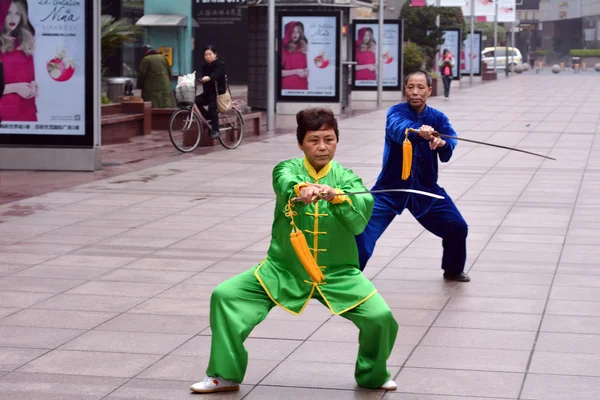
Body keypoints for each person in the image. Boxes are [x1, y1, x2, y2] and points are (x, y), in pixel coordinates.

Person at [190, 107, 399, 394]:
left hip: (337, 273)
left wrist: (338, 199)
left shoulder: (348, 180)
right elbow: (284, 182)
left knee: (380, 317)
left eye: (329, 139)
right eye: (314, 140)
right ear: (301, 143)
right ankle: (224, 375)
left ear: (337, 140)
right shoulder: (286, 168)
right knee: (225, 296)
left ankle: (372, 375)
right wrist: (302, 188)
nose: (322, 147)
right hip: (282, 270)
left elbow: (358, 222)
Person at [355, 70, 470, 283]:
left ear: (429, 90)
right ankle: (348, 277)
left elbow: (450, 139)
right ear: (404, 89)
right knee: (361, 231)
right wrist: (419, 131)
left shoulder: (438, 117)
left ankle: (453, 270)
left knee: (457, 227)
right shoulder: (395, 112)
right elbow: (399, 129)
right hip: (390, 189)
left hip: (425, 190)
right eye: (410, 87)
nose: (415, 92)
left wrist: (443, 143)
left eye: (420, 88)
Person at [0, 0, 37, 122]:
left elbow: (29, 78)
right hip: (4, 115)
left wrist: (33, 87)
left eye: (17, 14)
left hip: (27, 113)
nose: (13, 18)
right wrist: (16, 88)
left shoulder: (25, 42)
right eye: (8, 13)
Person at [194, 45, 226, 139]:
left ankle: (216, 130)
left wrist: (210, 77)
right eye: (205, 55)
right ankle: (208, 117)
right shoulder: (205, 66)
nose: (208, 56)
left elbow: (217, 74)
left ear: (215, 54)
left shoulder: (220, 64)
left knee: (212, 107)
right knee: (195, 101)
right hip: (208, 93)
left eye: (210, 54)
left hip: (218, 93)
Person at [136, 44, 176, 109]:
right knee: (166, 104)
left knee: (153, 107)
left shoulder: (146, 59)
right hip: (166, 86)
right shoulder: (163, 57)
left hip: (152, 89)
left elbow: (142, 75)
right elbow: (170, 73)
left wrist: (139, 86)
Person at [281, 21, 308, 91]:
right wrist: (296, 71)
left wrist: (306, 71)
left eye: (298, 32)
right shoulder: (283, 49)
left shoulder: (302, 48)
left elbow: (304, 68)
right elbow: (278, 72)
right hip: (287, 89)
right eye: (293, 31)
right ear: (288, 32)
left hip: (302, 87)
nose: (296, 34)